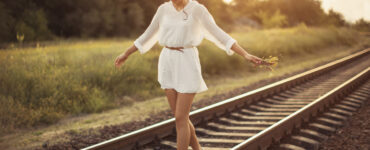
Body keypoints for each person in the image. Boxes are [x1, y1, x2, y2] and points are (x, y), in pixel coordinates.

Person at [114, 0, 273, 149]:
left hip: (187, 61)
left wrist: (245, 54)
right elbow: (147, 35)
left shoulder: (197, 9)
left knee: (180, 118)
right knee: (180, 117)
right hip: (167, 62)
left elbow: (219, 34)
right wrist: (126, 53)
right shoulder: (163, 10)